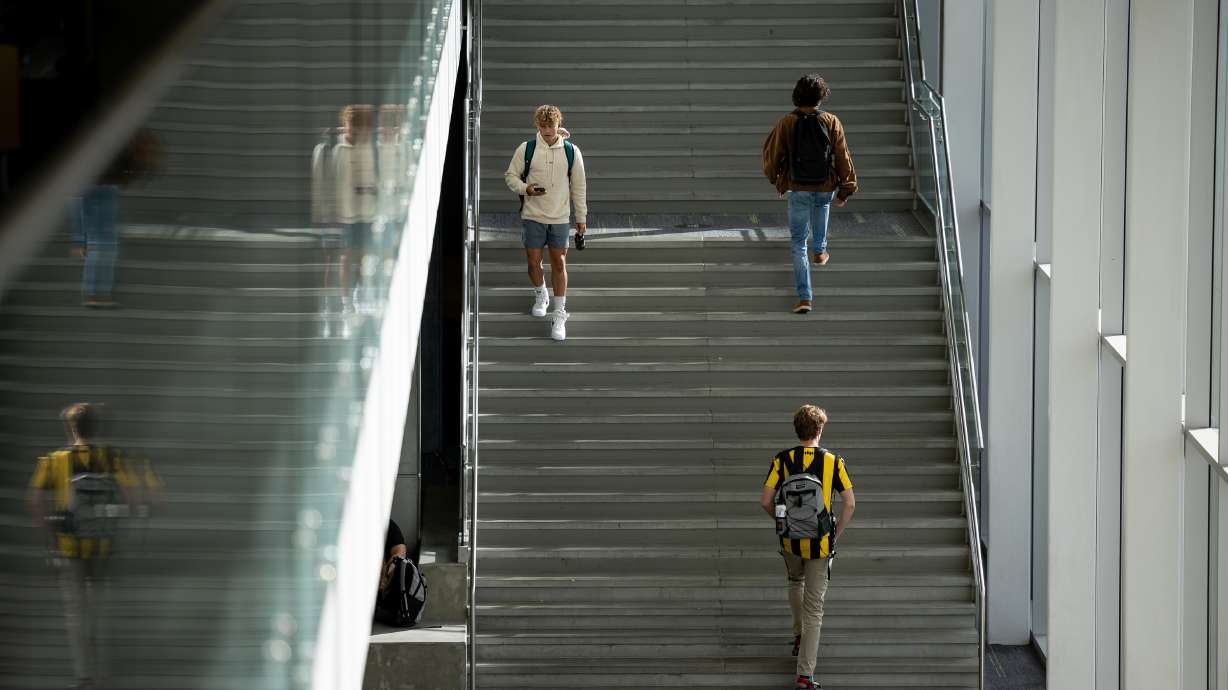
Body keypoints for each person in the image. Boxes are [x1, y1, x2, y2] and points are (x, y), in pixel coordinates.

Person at [27, 403, 158, 690]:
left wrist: (52, 528)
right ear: (96, 427)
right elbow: (134, 499)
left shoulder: (53, 460)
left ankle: (84, 677)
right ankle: (105, 674)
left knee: (76, 612)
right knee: (102, 610)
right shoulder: (112, 458)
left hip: (69, 548)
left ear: (72, 428)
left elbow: (35, 501)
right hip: (104, 545)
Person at [760, 404, 856, 690]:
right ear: (820, 429)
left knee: (794, 580)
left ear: (797, 429)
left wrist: (784, 522)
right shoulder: (833, 462)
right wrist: (834, 533)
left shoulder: (782, 460)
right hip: (820, 543)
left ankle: (798, 634)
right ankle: (804, 675)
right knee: (815, 608)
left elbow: (766, 501)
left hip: (790, 540)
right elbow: (850, 503)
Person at [762, 74, 858, 314]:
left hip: (798, 188)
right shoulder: (831, 121)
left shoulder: (787, 122)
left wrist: (777, 180)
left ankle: (805, 298)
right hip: (825, 186)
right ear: (821, 96)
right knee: (822, 207)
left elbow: (773, 156)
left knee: (797, 243)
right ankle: (821, 250)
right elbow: (843, 157)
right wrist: (846, 190)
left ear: (797, 94)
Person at [503, 104, 588, 341]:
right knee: (533, 262)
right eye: (543, 125)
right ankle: (541, 294)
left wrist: (581, 218)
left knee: (559, 263)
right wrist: (526, 188)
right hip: (533, 215)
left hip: (560, 217)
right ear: (537, 126)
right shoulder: (526, 149)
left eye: (551, 125)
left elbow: (579, 187)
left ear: (558, 125)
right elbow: (510, 176)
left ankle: (559, 312)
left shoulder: (572, 151)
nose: (547, 130)